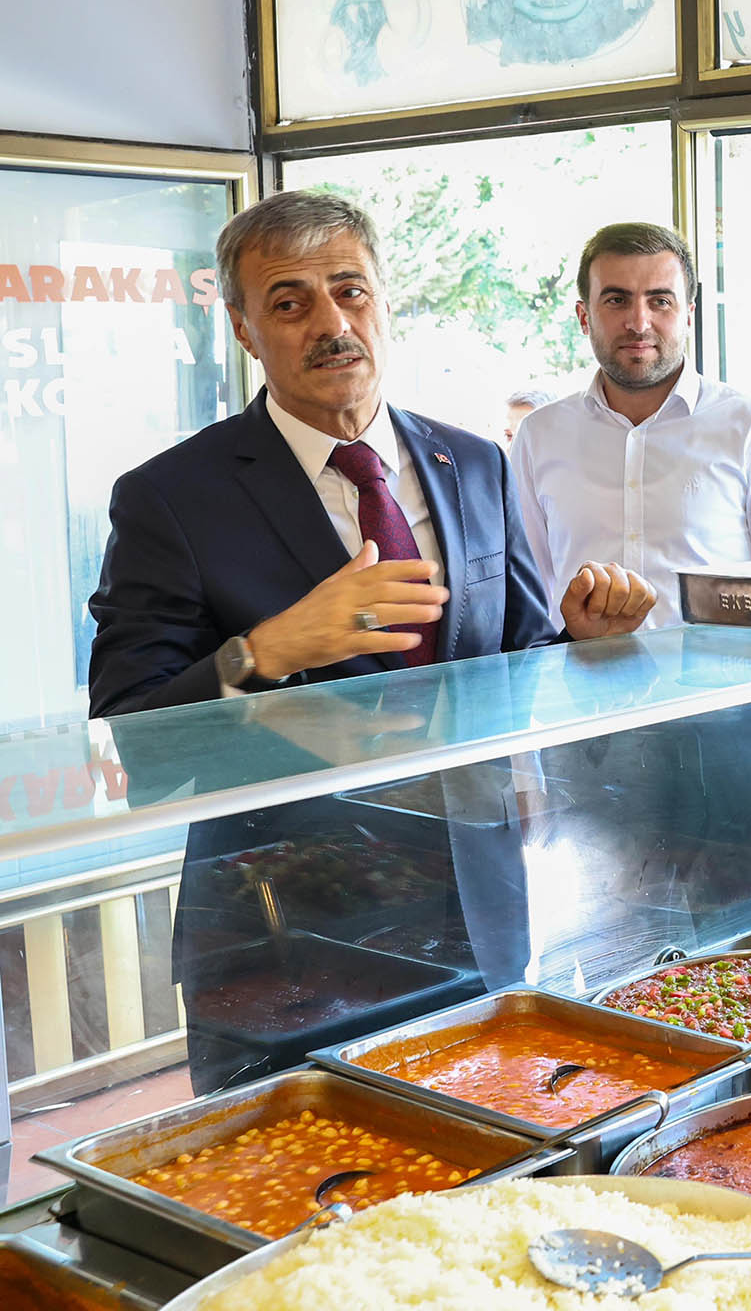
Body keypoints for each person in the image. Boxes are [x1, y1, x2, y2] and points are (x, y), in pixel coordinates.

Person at [86, 190, 657, 1088]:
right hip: (286, 931)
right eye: (290, 301)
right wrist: (265, 651)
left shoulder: (473, 463)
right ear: (244, 328)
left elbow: (512, 668)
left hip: (476, 904)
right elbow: (130, 738)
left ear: (385, 302)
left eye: (350, 291)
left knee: (489, 1169)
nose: (330, 323)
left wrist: (576, 641)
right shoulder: (171, 496)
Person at [509, 222, 751, 942]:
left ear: (688, 310)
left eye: (660, 299)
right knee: (599, 972)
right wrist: (523, 771)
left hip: (729, 744)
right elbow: (523, 620)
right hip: (588, 749)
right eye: (617, 299)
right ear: (584, 314)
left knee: (744, 967)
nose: (639, 321)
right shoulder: (541, 438)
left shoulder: (747, 427)